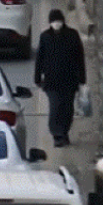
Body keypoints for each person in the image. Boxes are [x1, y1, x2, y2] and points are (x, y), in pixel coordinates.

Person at [33, 8, 85, 147]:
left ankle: (64, 132)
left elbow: (80, 57)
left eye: (58, 21)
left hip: (70, 80)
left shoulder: (72, 35)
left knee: (67, 109)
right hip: (52, 81)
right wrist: (37, 78)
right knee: (56, 107)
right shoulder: (45, 37)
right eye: (54, 21)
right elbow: (39, 58)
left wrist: (82, 79)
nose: (56, 24)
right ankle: (57, 135)